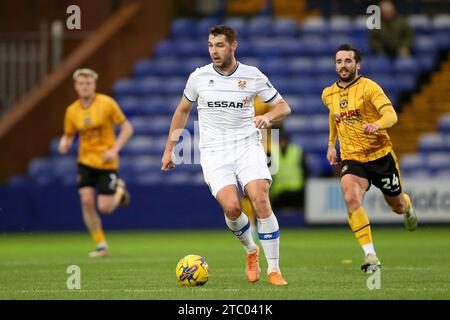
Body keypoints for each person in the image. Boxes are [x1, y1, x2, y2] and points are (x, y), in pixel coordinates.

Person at [161, 25, 291, 285]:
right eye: (210, 45)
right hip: (214, 152)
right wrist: (169, 149)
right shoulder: (198, 77)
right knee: (232, 207)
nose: (213, 51)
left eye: (219, 45)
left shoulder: (252, 75)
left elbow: (284, 107)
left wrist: (267, 116)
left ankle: (274, 269)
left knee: (260, 198)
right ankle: (251, 250)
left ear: (233, 46)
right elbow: (182, 110)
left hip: (247, 147)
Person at [321, 44, 418, 273]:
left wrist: (377, 124)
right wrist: (331, 145)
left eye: (347, 61)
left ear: (357, 64)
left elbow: (391, 115)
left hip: (380, 156)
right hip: (352, 158)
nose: (343, 65)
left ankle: (407, 206)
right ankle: (370, 255)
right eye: (339, 61)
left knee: (396, 205)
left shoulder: (369, 87)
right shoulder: (328, 93)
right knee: (350, 196)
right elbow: (335, 117)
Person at [58, 68, 133, 258]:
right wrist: (64, 144)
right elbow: (68, 136)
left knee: (105, 208)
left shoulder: (106, 104)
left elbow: (127, 128)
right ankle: (101, 245)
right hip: (85, 161)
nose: (85, 87)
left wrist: (115, 149)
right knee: (86, 200)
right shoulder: (72, 111)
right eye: (81, 83)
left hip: (106, 162)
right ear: (76, 86)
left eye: (88, 83)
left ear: (94, 85)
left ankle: (120, 189)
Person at [270, 130, 307, 211]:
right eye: (281, 140)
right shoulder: (272, 152)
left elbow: (305, 170)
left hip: (296, 191)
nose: (283, 142)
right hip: (279, 192)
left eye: (285, 140)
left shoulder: (297, 150)